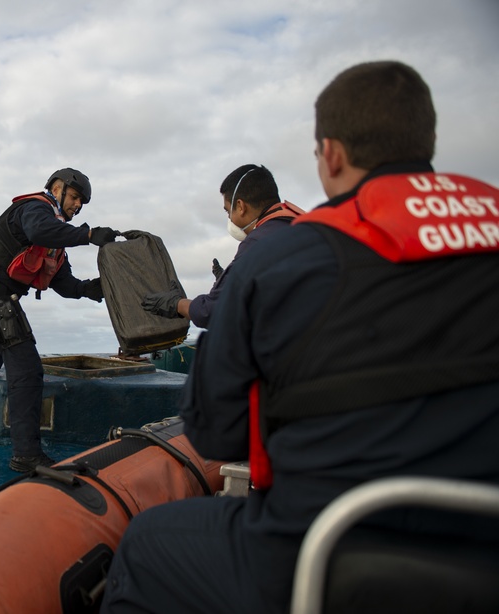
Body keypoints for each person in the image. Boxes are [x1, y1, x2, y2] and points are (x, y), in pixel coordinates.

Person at [101, 60, 499, 613]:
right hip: (485, 551)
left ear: (330, 154)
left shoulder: (277, 259)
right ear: (425, 141)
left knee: (146, 544)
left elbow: (218, 434)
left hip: (328, 550)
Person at [0, 168, 120, 472]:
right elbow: (39, 231)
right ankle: (26, 455)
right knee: (28, 371)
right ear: (56, 189)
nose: (77, 206)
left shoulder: (54, 239)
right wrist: (88, 234)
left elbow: (65, 284)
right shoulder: (36, 210)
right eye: (74, 197)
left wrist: (91, 289)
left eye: (81, 203)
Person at [140, 164, 303, 328]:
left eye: (228, 211)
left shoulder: (258, 242)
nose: (230, 219)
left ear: (240, 206)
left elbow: (213, 311)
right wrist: (232, 280)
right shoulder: (303, 229)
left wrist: (176, 304)